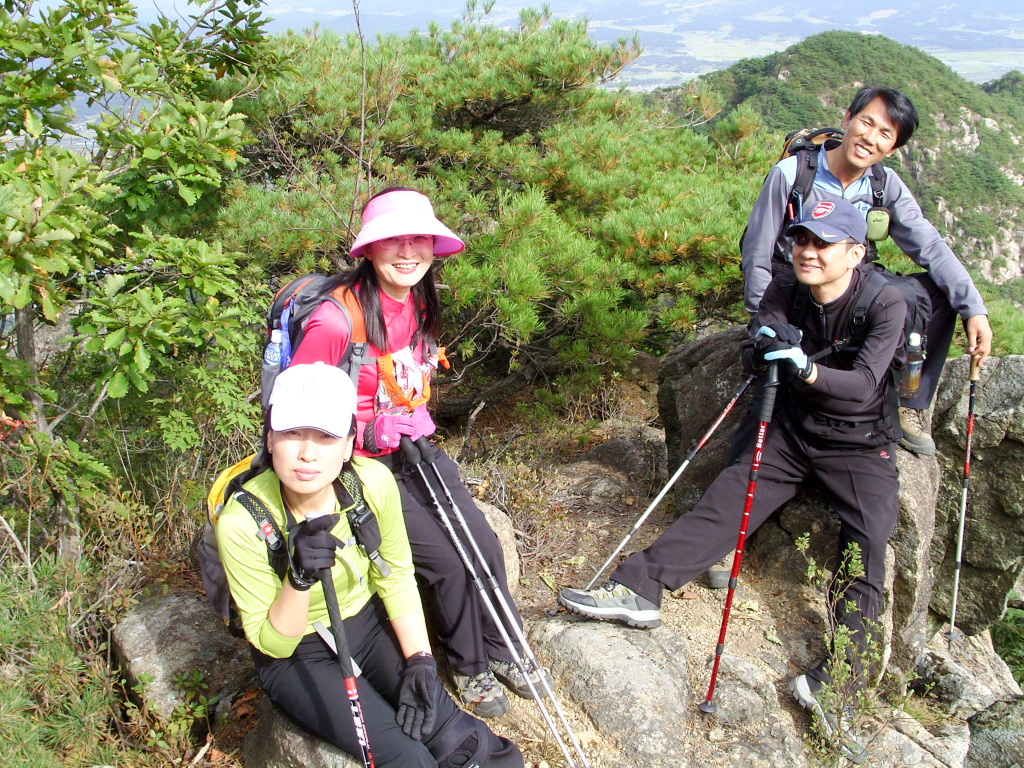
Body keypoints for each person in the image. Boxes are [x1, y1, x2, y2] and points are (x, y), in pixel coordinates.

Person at [559, 200, 906, 761]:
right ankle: (639, 588)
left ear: (856, 252)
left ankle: (837, 685)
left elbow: (866, 384)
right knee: (727, 501)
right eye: (801, 241)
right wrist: (768, 339)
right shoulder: (789, 284)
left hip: (860, 443)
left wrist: (806, 366)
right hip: (791, 429)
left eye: (824, 243)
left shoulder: (883, 301)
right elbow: (761, 325)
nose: (808, 252)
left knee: (866, 550)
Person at [289, 187, 549, 718]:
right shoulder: (336, 320)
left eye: (418, 239)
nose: (407, 252)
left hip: (409, 442)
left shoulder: (420, 298)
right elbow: (299, 414)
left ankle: (504, 646)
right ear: (369, 249)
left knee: (484, 544)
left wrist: (407, 417)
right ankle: (470, 666)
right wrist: (365, 433)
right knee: (448, 565)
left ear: (434, 246)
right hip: (356, 463)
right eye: (392, 241)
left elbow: (411, 368)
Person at [216, 362, 523, 768]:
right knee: (406, 757)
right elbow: (274, 643)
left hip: (367, 622)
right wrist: (299, 579)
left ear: (347, 445)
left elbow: (394, 575)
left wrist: (420, 662)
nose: (307, 453)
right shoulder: (244, 521)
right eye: (292, 433)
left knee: (454, 737)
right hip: (297, 655)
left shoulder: (371, 483)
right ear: (270, 439)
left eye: (326, 437)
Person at [740, 85, 992, 455]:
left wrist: (975, 308)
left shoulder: (883, 184)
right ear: (847, 119)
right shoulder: (793, 174)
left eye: (885, 134)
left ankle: (901, 402)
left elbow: (930, 246)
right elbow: (758, 252)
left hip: (851, 288)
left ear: (893, 148)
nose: (870, 138)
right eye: (866, 122)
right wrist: (764, 325)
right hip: (796, 290)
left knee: (928, 294)